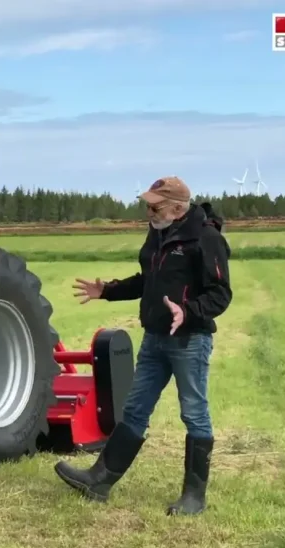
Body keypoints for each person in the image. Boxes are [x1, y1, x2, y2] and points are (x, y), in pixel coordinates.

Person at [54, 176, 232, 516]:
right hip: (154, 339)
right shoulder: (159, 233)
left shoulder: (206, 238)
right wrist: (106, 290)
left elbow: (221, 294)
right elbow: (147, 280)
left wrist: (189, 312)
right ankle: (98, 481)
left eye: (155, 206)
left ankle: (194, 498)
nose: (148, 211)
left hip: (189, 341)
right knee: (135, 410)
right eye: (148, 205)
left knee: (194, 414)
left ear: (178, 208)